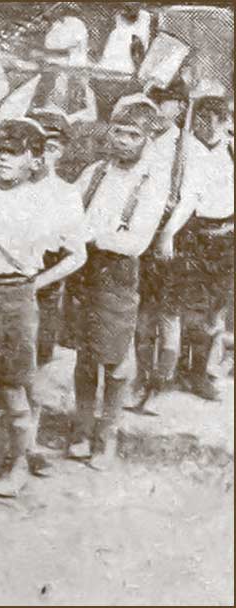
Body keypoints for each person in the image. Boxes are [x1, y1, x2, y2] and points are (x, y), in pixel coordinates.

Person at [0, 119, 87, 497]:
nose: (4, 159)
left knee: (13, 390)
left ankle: (19, 464)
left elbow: (28, 259)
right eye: (1, 150)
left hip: (14, 295)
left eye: (14, 153)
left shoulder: (41, 202)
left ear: (35, 160)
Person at [68, 95, 170, 469]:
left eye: (133, 135)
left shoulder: (150, 183)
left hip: (119, 273)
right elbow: (68, 212)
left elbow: (135, 243)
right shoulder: (95, 172)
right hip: (83, 270)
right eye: (119, 132)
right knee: (84, 355)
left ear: (147, 139)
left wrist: (92, 234)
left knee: (115, 360)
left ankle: (106, 437)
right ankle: (81, 429)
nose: (124, 141)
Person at [155, 94, 234, 401]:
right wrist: (168, 234)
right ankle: (170, 372)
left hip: (225, 238)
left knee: (214, 310)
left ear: (228, 122)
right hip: (193, 234)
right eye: (204, 119)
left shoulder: (231, 150)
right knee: (182, 305)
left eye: (219, 120)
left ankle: (199, 373)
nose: (211, 126)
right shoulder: (186, 151)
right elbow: (187, 199)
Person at [24, 108, 86, 473]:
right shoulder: (5, 186)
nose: (41, 155)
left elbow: (77, 255)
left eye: (50, 147)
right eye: (35, 145)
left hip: (40, 289)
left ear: (60, 151)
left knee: (35, 369)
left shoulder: (66, 194)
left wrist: (38, 283)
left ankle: (27, 445)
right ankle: (0, 447)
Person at [129, 81, 189, 414]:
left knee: (168, 313)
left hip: (174, 235)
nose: (157, 108)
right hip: (143, 231)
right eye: (155, 101)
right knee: (143, 311)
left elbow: (191, 197)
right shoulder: (145, 140)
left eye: (165, 101)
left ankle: (160, 383)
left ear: (179, 106)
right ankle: (141, 378)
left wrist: (169, 229)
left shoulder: (186, 146)